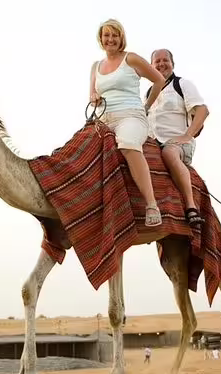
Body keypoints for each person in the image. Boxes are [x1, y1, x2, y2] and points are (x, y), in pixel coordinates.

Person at [90, 19, 165, 227]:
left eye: (115, 35)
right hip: (103, 119)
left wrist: (146, 106)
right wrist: (94, 97)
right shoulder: (95, 67)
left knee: (128, 143)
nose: (110, 39)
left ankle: (152, 204)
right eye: (107, 35)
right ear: (101, 38)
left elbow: (159, 80)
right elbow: (92, 94)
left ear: (121, 38)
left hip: (130, 115)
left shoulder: (130, 59)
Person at [147, 49, 210, 228]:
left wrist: (187, 135)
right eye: (157, 61)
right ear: (151, 66)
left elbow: (202, 110)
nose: (161, 64)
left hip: (176, 144)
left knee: (168, 152)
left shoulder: (181, 84)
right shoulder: (149, 93)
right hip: (153, 143)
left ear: (172, 63)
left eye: (165, 60)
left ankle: (190, 206)